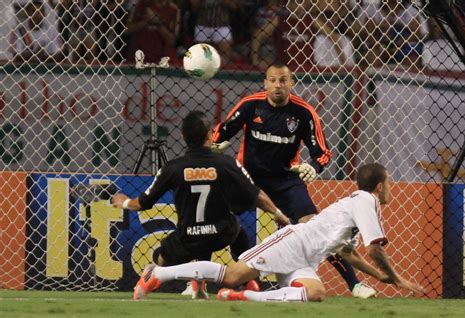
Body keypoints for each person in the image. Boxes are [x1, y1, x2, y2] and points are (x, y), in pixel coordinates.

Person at [132, 163, 425, 302]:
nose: (390, 188)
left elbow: (348, 253)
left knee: (316, 293)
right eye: (388, 183)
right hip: (293, 242)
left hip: (306, 259)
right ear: (378, 186)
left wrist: (384, 278)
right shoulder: (367, 201)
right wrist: (396, 279)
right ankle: (157, 275)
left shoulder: (358, 205)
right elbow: (375, 249)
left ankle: (244, 298)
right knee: (234, 275)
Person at [211, 63, 376, 298]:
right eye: (273, 80)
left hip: (285, 180)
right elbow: (221, 132)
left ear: (291, 83)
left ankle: (354, 285)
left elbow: (323, 152)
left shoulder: (304, 112)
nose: (278, 85)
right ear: (265, 83)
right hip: (249, 178)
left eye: (283, 80)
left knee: (315, 227)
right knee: (218, 218)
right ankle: (197, 282)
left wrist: (314, 166)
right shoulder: (250, 105)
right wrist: (217, 143)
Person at [111, 110, 290, 300]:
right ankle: (244, 281)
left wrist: (125, 202)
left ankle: (155, 275)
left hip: (188, 239)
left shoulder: (173, 168)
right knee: (237, 230)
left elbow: (143, 203)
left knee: (160, 257)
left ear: (183, 137)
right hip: (221, 233)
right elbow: (256, 195)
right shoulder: (226, 163)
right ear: (210, 134)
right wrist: (278, 213)